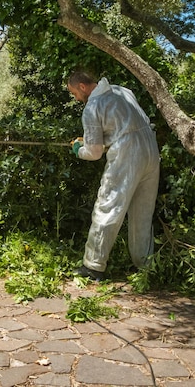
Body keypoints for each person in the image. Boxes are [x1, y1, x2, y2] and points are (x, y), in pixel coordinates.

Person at [67, 69, 160, 281]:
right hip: (150, 149)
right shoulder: (122, 91)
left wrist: (78, 149)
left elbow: (94, 152)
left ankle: (94, 267)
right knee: (143, 212)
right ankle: (146, 267)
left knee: (109, 205)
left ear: (82, 86)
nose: (76, 98)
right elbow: (125, 127)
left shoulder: (93, 106)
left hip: (127, 155)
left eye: (74, 94)